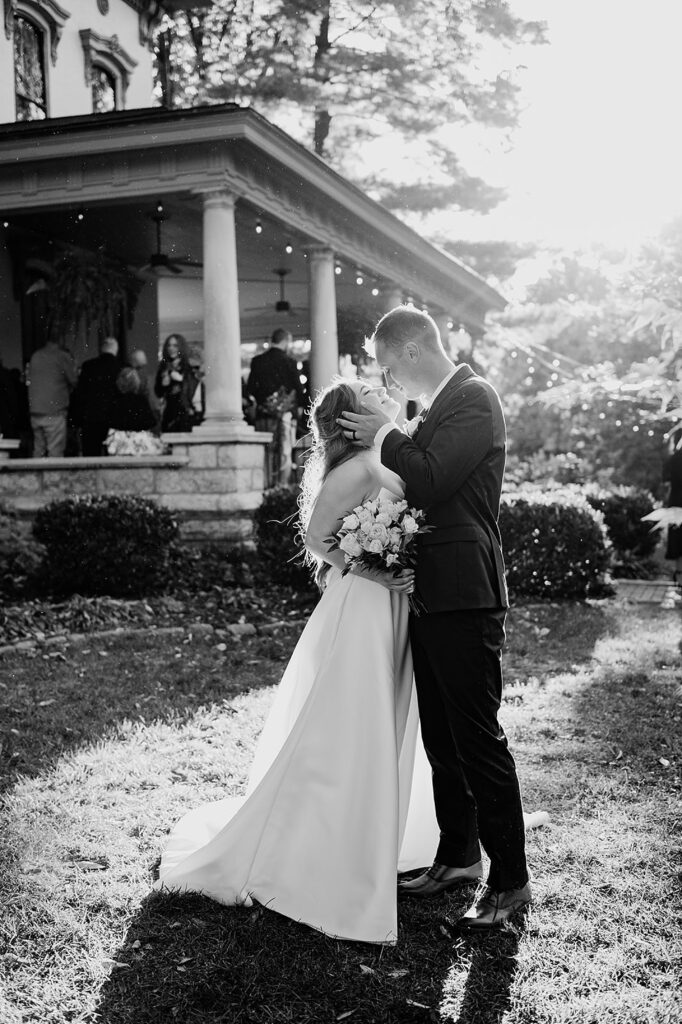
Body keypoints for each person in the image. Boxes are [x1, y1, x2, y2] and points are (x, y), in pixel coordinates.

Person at [154, 378, 439, 944]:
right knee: (352, 719)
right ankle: (327, 842)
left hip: (393, 603)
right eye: (366, 389)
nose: (378, 388)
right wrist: (375, 569)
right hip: (364, 606)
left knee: (386, 717)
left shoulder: (386, 448)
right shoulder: (355, 468)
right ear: (351, 416)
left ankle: (382, 830)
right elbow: (316, 538)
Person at [337, 305, 531, 931]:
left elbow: (428, 480)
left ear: (412, 351)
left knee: (476, 736)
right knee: (442, 738)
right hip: (429, 590)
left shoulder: (475, 399)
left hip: (466, 593)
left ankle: (510, 881)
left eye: (388, 368)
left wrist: (388, 428)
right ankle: (457, 857)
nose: (388, 382)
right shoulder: (434, 409)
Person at [247, 328, 305, 486]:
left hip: (264, 413)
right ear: (286, 341)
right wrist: (298, 408)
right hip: (285, 415)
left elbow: (250, 388)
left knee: (265, 450)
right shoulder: (290, 362)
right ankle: (281, 486)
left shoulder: (257, 361)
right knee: (284, 450)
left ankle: (264, 483)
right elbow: (298, 390)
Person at [27, 337, 77, 458]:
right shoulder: (62, 356)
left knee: (38, 450)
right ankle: (54, 477)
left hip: (35, 411)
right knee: (55, 452)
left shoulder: (36, 356)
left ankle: (35, 477)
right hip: (54, 411)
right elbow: (74, 380)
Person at [71, 337, 120, 456]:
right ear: (115, 350)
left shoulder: (88, 366)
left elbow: (80, 393)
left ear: (101, 350)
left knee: (91, 455)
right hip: (114, 418)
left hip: (91, 418)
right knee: (113, 455)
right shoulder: (120, 367)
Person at [154, 334, 199, 433]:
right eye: (169, 345)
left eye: (175, 345)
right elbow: (158, 392)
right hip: (169, 411)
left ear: (181, 347)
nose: (171, 348)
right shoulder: (163, 366)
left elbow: (194, 388)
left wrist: (181, 379)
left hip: (186, 411)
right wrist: (163, 384)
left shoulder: (189, 365)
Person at [108, 367, 157, 434]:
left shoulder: (116, 402)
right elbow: (151, 422)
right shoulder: (141, 400)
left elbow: (112, 424)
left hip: (120, 440)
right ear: (136, 381)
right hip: (139, 439)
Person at [663, 429, 682, 583]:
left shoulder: (672, 459)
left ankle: (679, 576)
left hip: (676, 502)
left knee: (677, 538)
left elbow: (666, 481)